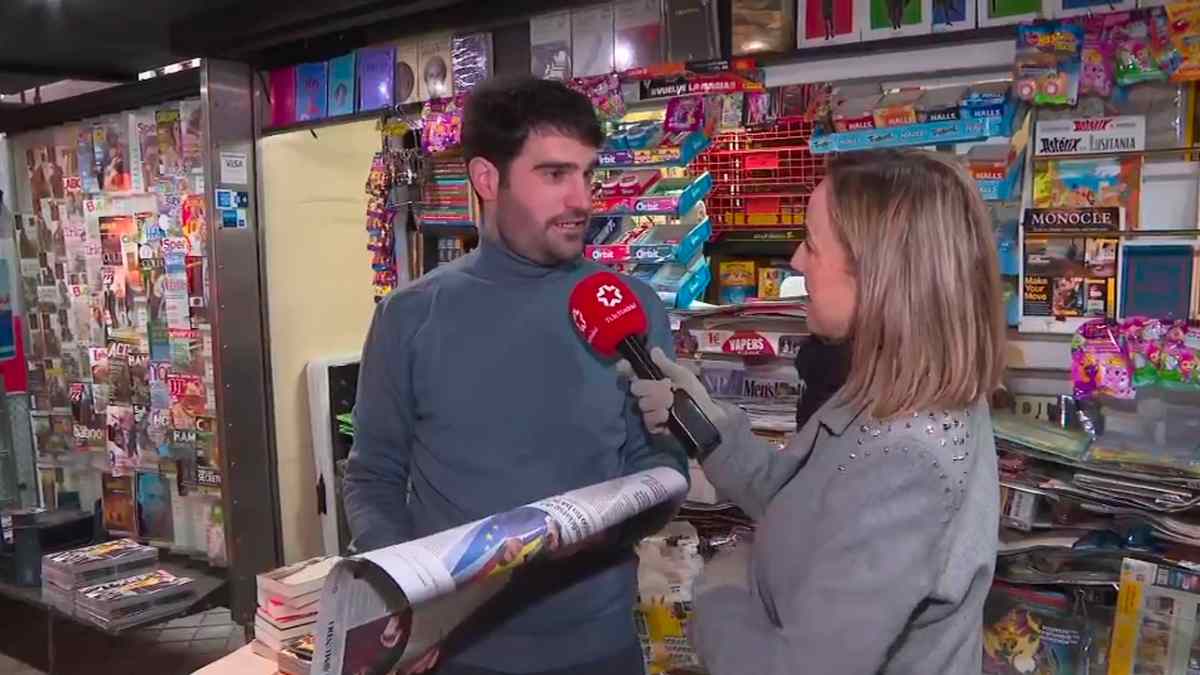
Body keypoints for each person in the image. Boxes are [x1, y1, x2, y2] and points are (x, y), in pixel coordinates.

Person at [343, 75, 686, 675]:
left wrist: (604, 531)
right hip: (461, 652)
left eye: (587, 173)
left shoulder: (629, 307)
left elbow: (661, 465)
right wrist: (403, 601)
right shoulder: (409, 316)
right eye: (555, 175)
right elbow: (373, 476)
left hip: (600, 648)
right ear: (486, 179)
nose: (581, 199)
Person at [620, 150, 1004, 674]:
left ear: (879, 273)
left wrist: (717, 596)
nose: (796, 262)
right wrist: (702, 421)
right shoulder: (897, 381)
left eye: (812, 245)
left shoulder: (909, 456)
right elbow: (809, 501)